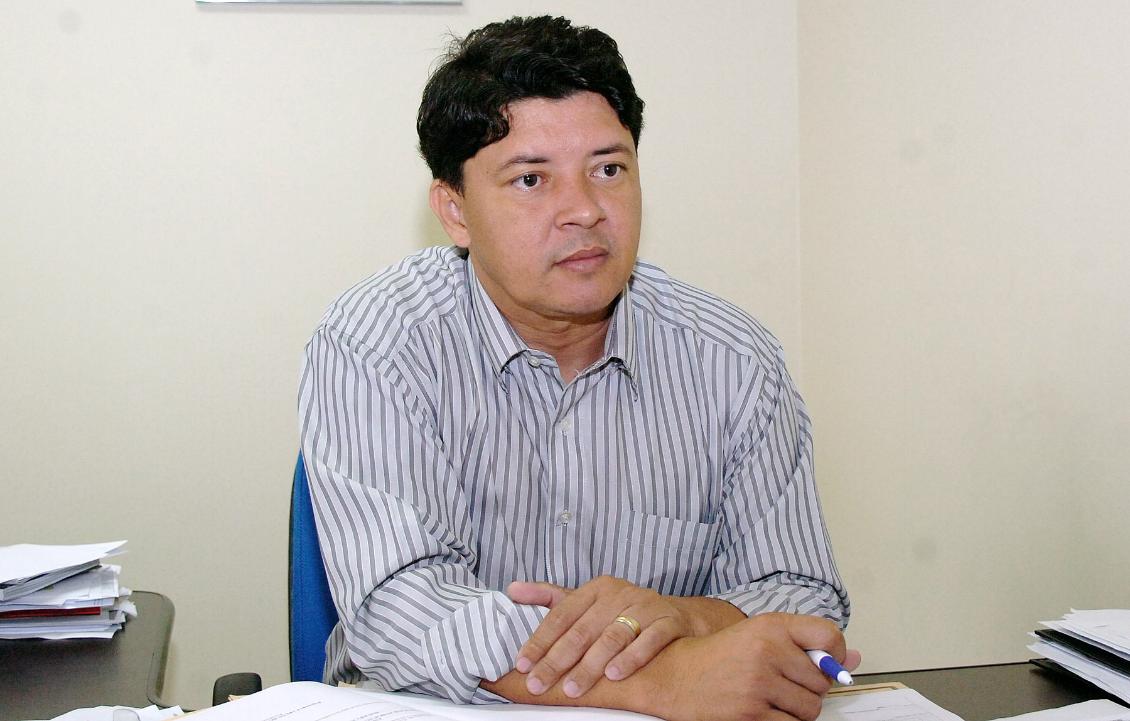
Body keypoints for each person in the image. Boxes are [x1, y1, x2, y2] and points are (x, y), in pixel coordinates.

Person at [298, 15, 857, 721]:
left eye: (608, 170)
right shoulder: (377, 343)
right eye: (531, 179)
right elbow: (400, 613)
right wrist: (664, 677)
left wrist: (686, 616)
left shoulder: (734, 359)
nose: (585, 211)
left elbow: (806, 598)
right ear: (455, 211)